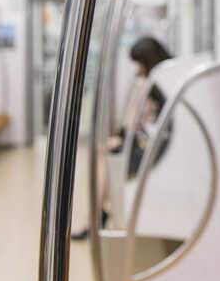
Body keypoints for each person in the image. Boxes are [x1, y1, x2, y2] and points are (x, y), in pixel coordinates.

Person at [72, 36, 172, 240]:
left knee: (107, 159)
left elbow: (132, 121)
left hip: (151, 147)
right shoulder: (167, 78)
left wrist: (119, 139)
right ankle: (95, 215)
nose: (137, 67)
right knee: (107, 158)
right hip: (158, 142)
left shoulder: (145, 83)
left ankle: (93, 218)